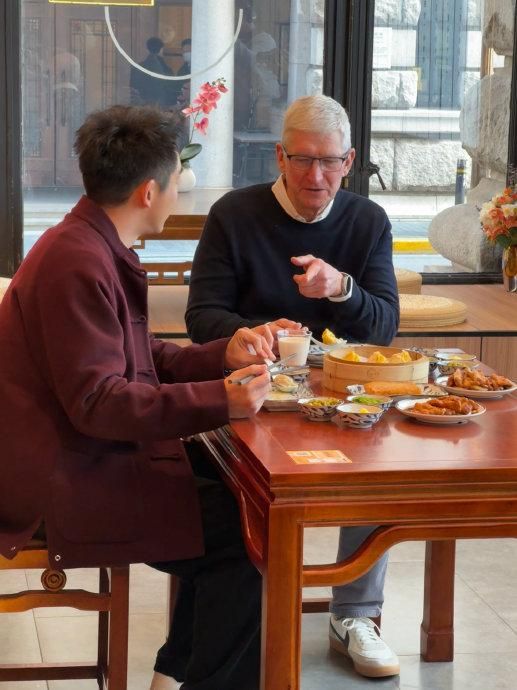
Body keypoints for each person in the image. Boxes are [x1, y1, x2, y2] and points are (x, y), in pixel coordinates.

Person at [0, 105, 275, 690]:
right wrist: (222, 400)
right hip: (58, 479)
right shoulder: (77, 261)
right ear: (149, 191)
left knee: (242, 499)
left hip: (80, 454)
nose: (179, 192)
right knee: (246, 542)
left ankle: (173, 674)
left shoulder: (86, 243)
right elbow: (100, 404)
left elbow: (137, 353)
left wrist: (222, 355)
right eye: (177, 180)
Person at [185, 94, 401, 679]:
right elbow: (202, 316)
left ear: (349, 161)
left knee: (375, 455)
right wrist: (251, 333)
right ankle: (243, 607)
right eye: (302, 159)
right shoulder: (234, 214)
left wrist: (342, 289)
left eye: (329, 161)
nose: (315, 175)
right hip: (253, 391)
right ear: (280, 157)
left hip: (342, 393)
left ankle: (355, 614)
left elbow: (384, 327)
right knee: (243, 485)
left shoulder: (367, 221)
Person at [130, 36, 176, 108]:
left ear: (147, 49)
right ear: (161, 50)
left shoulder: (138, 68)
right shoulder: (166, 69)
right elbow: (171, 89)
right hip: (160, 106)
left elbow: (133, 88)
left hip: (142, 107)